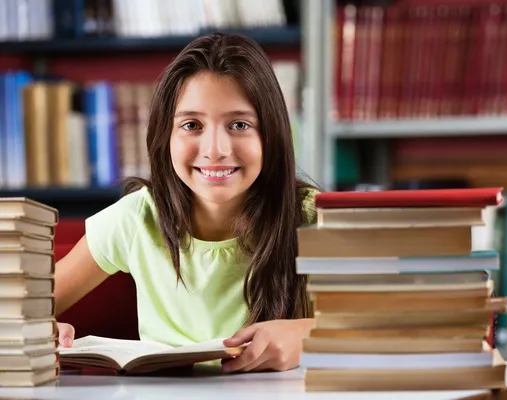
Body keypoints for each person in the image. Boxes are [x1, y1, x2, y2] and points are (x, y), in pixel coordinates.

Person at [54, 33, 320, 373]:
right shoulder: (137, 217)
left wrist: (310, 333)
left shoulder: (314, 219)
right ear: (165, 136)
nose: (214, 149)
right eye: (191, 125)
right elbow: (17, 311)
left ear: (272, 134)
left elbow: (395, 326)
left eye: (239, 124)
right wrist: (37, 331)